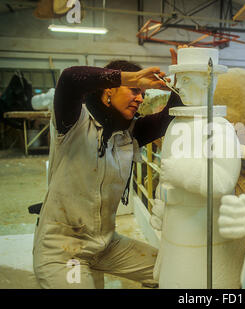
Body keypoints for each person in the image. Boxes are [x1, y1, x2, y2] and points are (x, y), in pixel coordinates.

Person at [32, 56, 183, 289]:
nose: (140, 98)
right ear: (108, 91)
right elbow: (70, 79)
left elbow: (168, 117)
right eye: (134, 90)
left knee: (172, 270)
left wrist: (184, 73)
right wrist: (130, 77)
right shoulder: (73, 122)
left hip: (105, 245)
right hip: (64, 250)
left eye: (142, 92)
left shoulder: (128, 133)